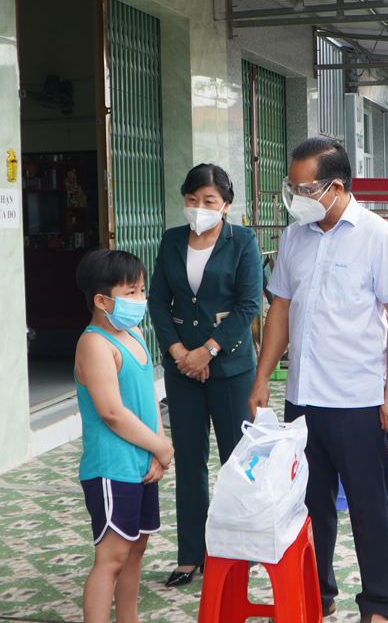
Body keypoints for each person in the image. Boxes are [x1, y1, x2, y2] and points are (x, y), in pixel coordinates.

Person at [248, 137, 388, 623]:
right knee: (309, 507)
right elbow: (279, 308)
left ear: (336, 187)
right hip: (303, 399)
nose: (295, 196)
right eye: (291, 187)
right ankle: (317, 593)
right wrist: (263, 380)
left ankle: (380, 604)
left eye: (305, 188)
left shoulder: (378, 236)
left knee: (368, 510)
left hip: (360, 401)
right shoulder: (296, 236)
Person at [148, 163, 262, 586]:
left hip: (230, 368)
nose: (199, 208)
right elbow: (158, 301)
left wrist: (208, 351)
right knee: (190, 460)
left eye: (208, 201)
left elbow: (250, 304)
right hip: (182, 369)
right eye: (192, 200)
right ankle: (190, 554)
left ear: (226, 205)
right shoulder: (172, 240)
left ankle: (241, 548)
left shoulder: (243, 241)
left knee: (237, 460)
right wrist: (179, 352)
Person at [73, 249, 175, 623]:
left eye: (141, 290)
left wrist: (158, 451)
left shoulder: (132, 334)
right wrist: (161, 447)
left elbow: (149, 397)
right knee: (111, 559)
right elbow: (112, 413)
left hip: (143, 463)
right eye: (130, 292)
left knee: (135, 551)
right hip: (112, 467)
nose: (140, 300)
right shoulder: (94, 344)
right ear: (102, 300)